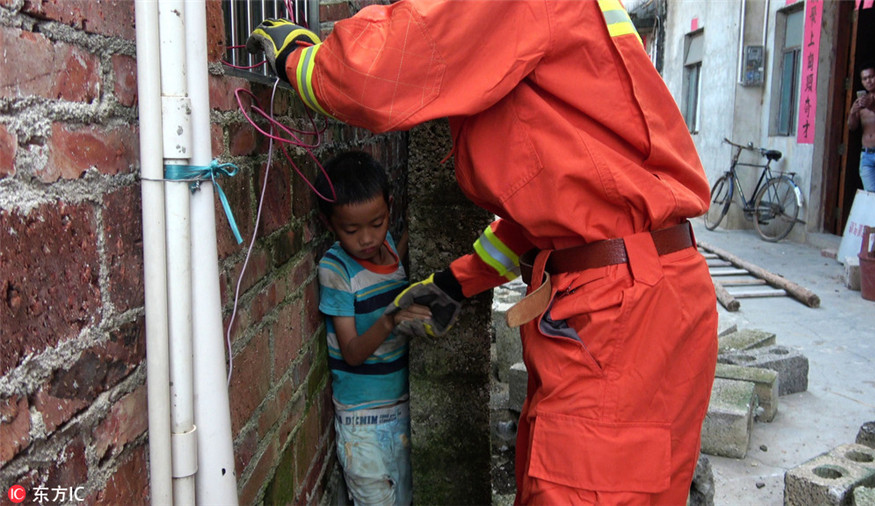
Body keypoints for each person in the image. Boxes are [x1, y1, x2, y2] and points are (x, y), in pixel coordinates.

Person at [249, 3, 718, 503]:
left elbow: (383, 70)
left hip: (619, 312)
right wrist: (455, 283)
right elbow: (547, 218)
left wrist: (301, 60)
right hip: (655, 294)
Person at [314, 151, 429, 506]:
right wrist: (390, 319)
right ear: (329, 223)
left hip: (403, 409)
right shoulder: (336, 270)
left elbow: (395, 268)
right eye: (352, 230)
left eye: (377, 223)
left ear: (389, 209)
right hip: (362, 423)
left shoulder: (390, 247)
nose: (367, 239)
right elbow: (351, 353)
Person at [849, 61, 875, 193]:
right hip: (867, 155)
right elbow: (852, 127)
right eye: (864, 79)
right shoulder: (860, 102)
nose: (868, 81)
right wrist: (853, 112)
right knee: (871, 195)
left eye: (871, 77)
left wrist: (874, 108)